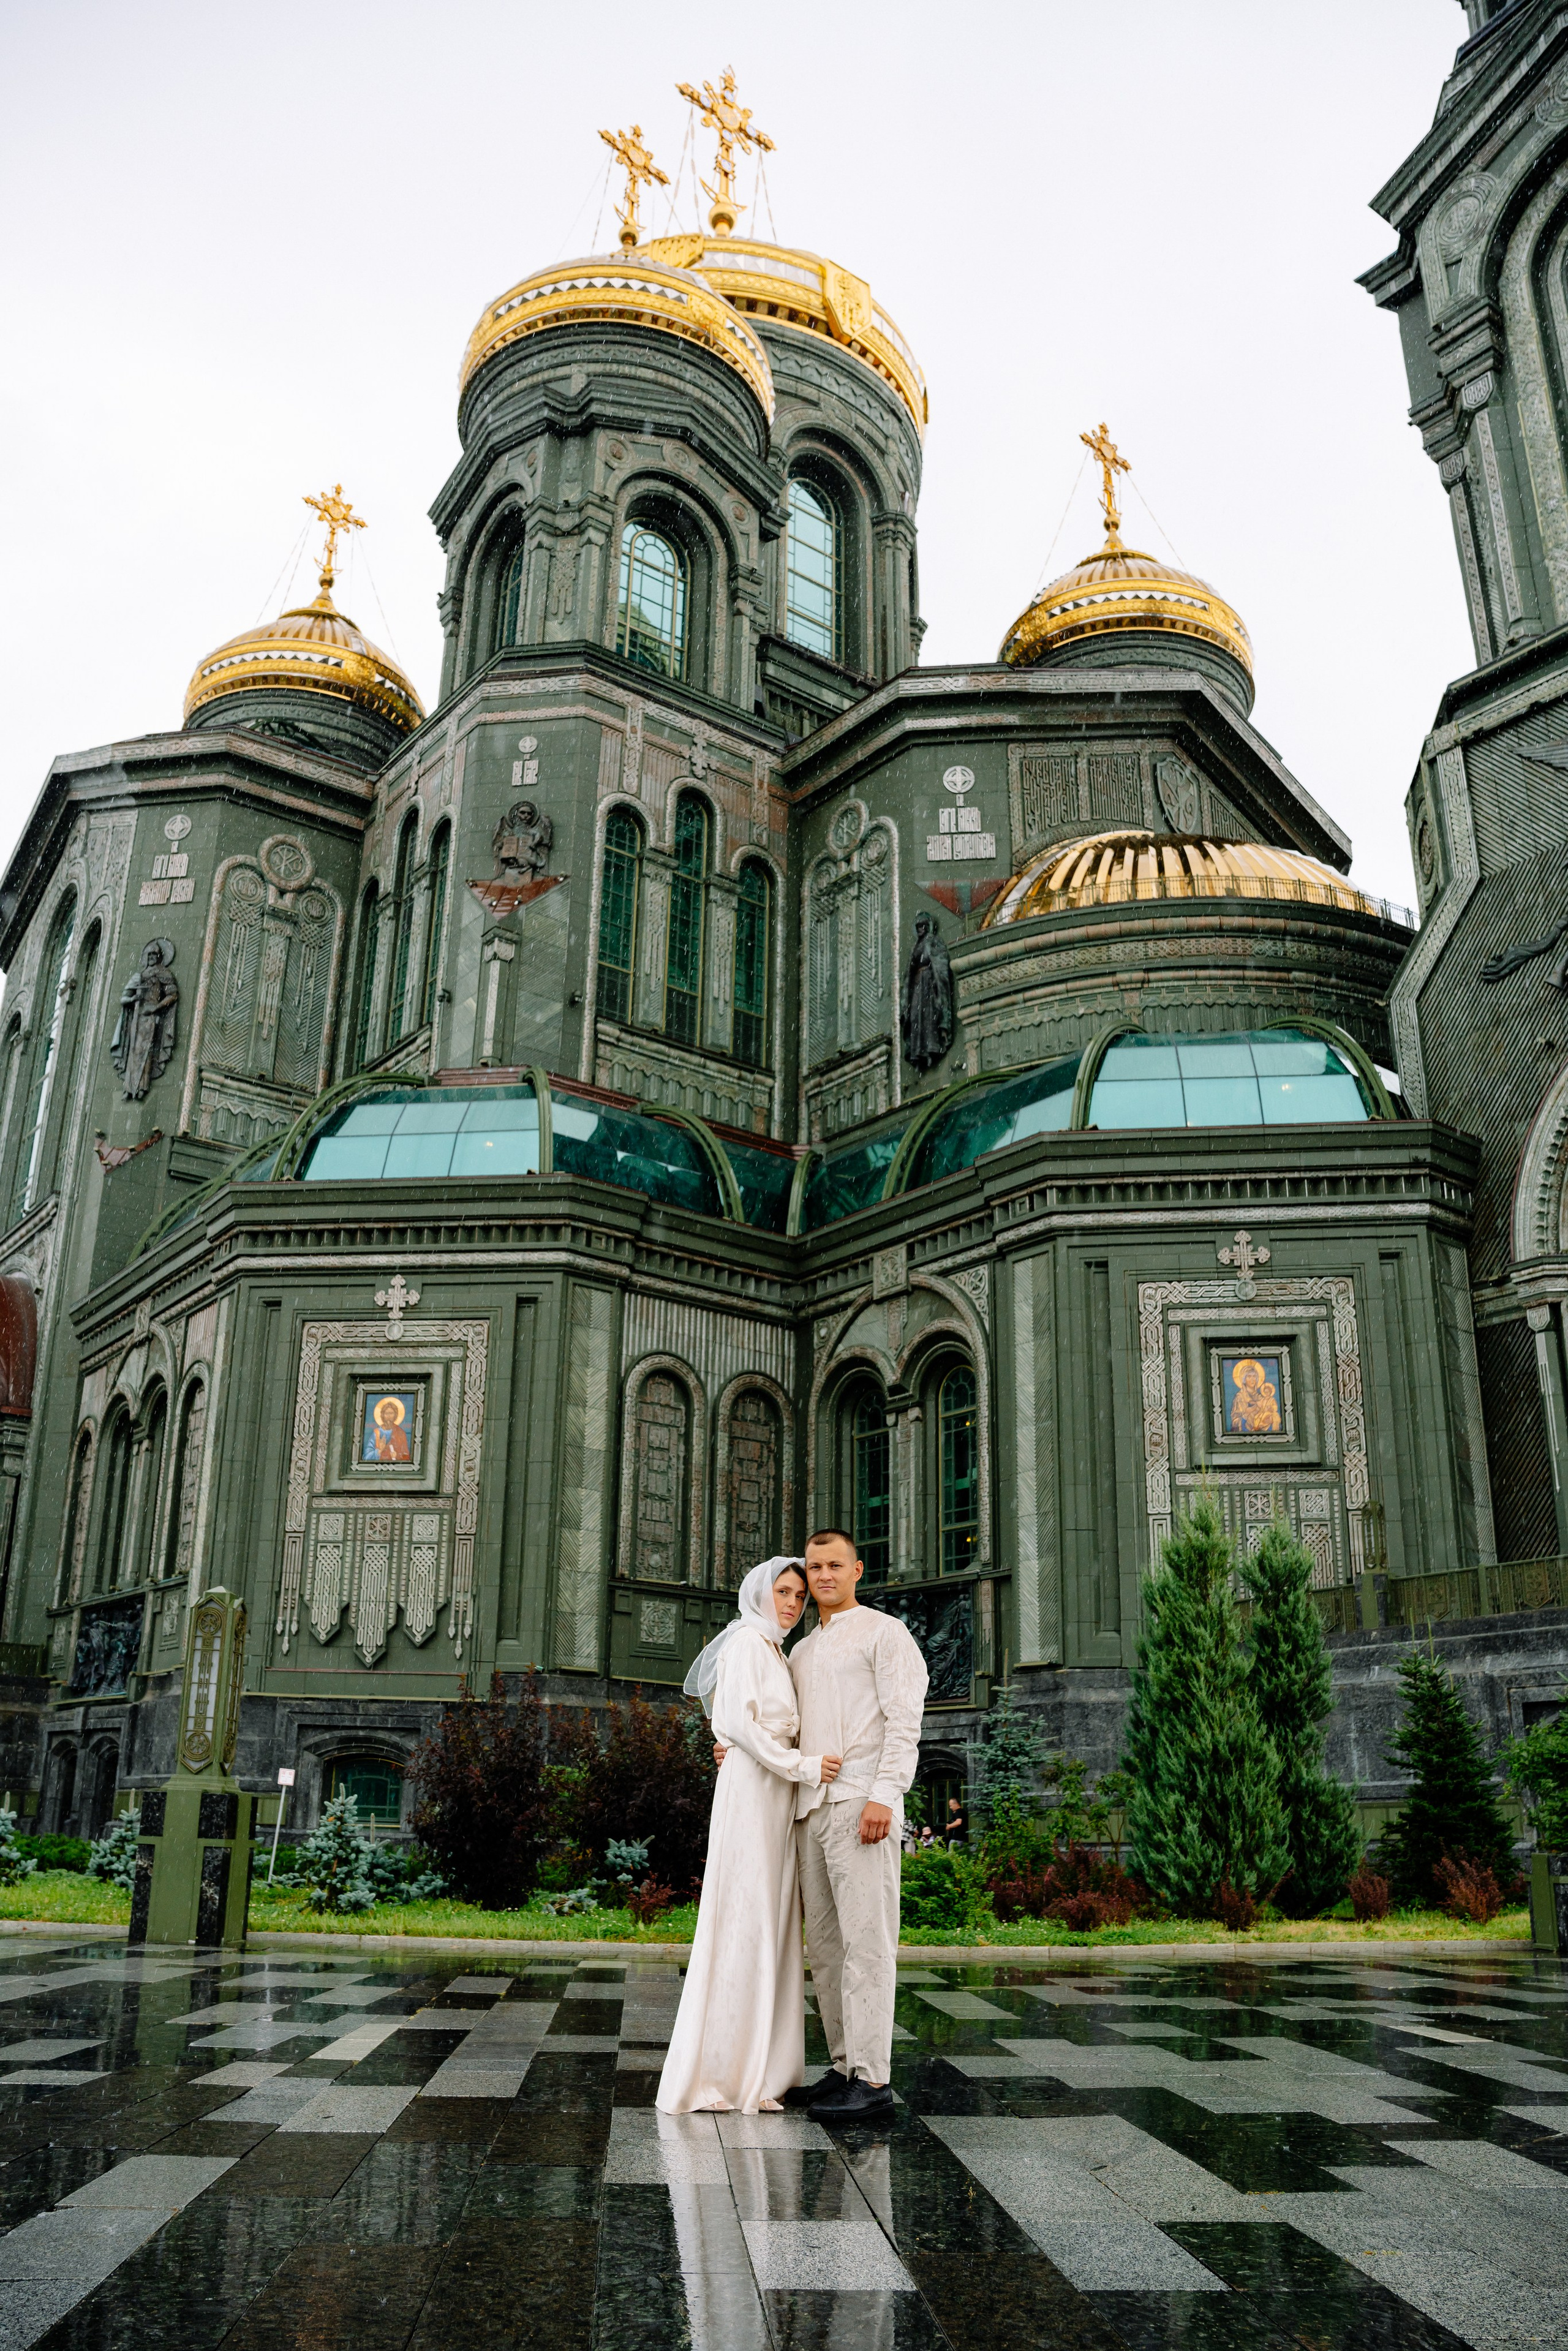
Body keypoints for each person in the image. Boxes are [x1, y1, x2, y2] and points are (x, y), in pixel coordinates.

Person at [657, 1557, 841, 2114]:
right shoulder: (743, 1643)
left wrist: (787, 1764)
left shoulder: (774, 1650)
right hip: (757, 1789)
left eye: (799, 1597)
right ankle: (723, 2075)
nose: (791, 1603)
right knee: (744, 1915)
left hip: (772, 1788)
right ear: (759, 1594)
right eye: (783, 1592)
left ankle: (764, 2069)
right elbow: (736, 1724)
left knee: (772, 1919)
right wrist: (803, 1766)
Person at [782, 1527, 929, 2125]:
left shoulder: (884, 1634)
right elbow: (788, 1732)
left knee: (869, 1943)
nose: (823, 1576)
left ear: (857, 1570)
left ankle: (873, 2077)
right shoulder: (801, 1651)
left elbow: (904, 1718)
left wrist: (885, 1796)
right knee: (827, 1949)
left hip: (861, 1805)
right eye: (815, 1567)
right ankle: (844, 2066)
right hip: (810, 1810)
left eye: (834, 1565)